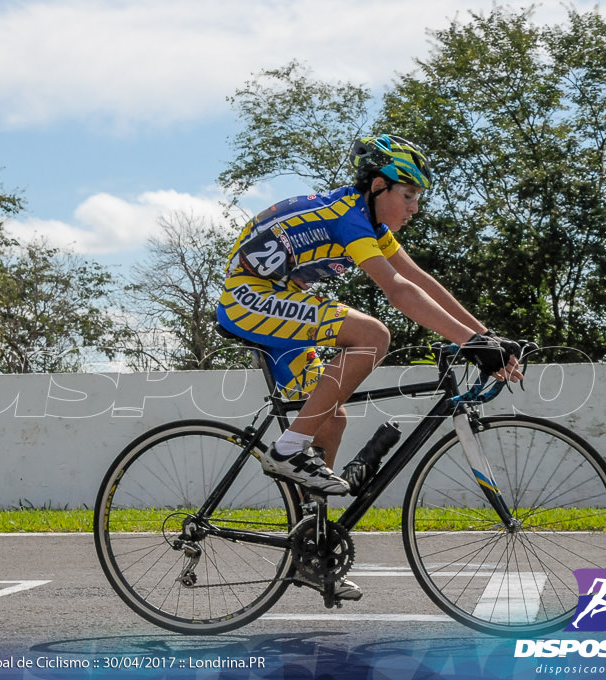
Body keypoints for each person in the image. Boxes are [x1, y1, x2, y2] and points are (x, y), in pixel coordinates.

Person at [216, 135, 523, 599]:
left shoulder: (370, 224)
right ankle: (286, 450)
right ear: (379, 185)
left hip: (276, 301)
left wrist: (486, 339)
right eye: (408, 194)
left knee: (330, 418)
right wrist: (472, 344)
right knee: (373, 335)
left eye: (418, 197)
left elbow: (420, 280)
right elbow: (397, 290)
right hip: (248, 299)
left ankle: (310, 552)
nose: (414, 207)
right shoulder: (349, 217)